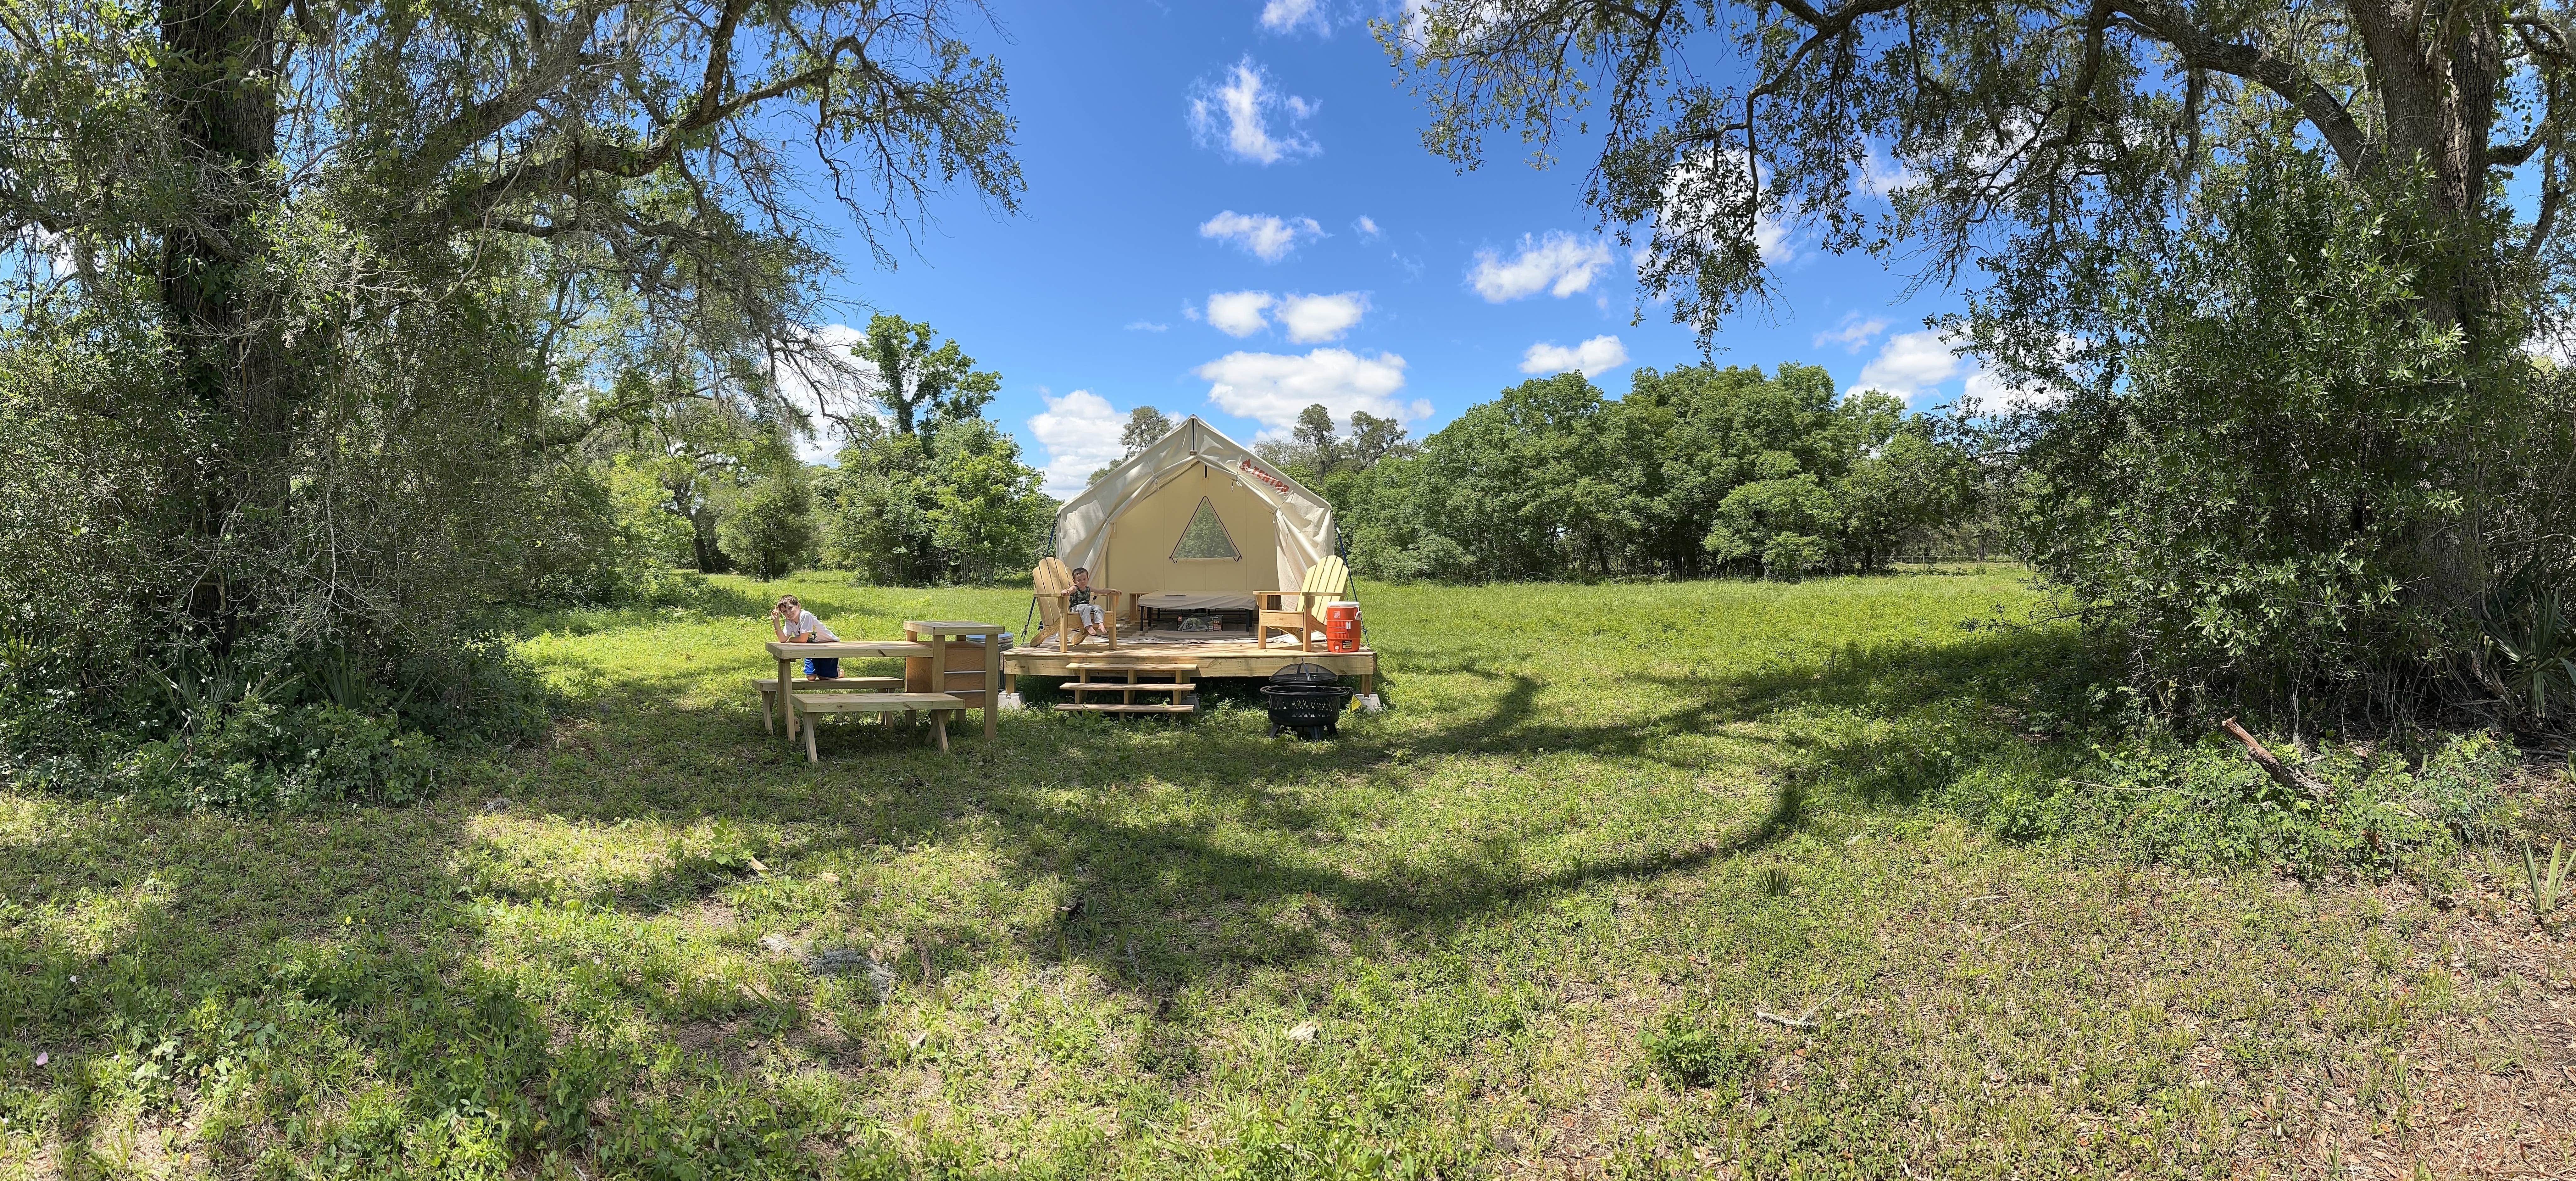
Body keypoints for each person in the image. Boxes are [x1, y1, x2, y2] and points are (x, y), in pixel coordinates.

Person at [771, 595, 841, 679]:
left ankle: (840, 673)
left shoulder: (805, 616)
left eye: (790, 608)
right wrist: (776, 621)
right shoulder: (789, 621)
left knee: (825, 678)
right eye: (785, 611)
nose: (789, 613)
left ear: (799, 606)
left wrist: (791, 639)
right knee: (811, 677)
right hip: (812, 648)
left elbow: (803, 640)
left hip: (828, 646)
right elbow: (783, 639)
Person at [1067, 567, 1122, 640]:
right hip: (1076, 608)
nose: (1082, 582)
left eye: (1084, 579)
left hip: (1087, 606)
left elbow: (1102, 591)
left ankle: (1100, 623)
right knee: (1085, 607)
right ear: (1075, 582)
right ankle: (1089, 627)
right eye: (1079, 580)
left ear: (1088, 579)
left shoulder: (1089, 589)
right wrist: (1066, 591)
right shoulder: (1075, 588)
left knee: (1097, 607)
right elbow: (1069, 590)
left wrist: (1113, 590)